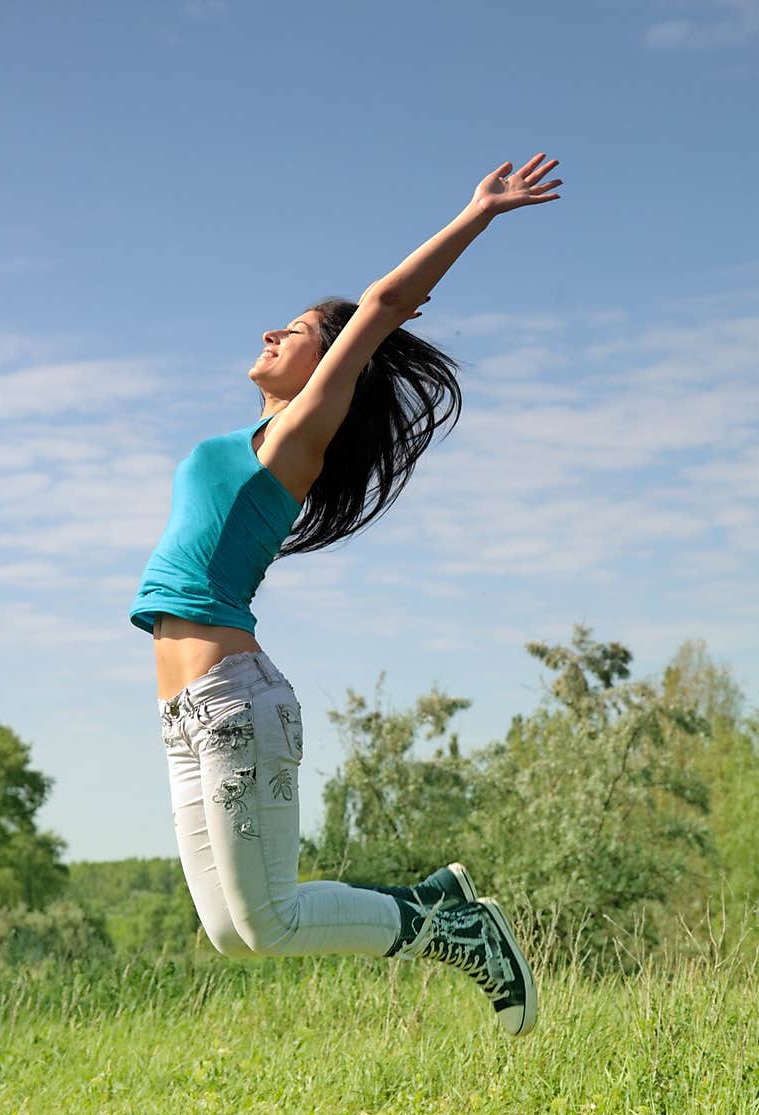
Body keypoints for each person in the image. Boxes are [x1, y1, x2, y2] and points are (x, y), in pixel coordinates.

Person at [130, 153, 562, 1037]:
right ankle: (437, 906)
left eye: (292, 330)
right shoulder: (244, 437)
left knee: (272, 918)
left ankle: (453, 927)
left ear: (331, 366)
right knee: (233, 933)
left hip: (233, 703)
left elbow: (384, 308)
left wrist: (477, 214)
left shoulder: (297, 435)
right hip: (183, 712)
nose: (271, 334)